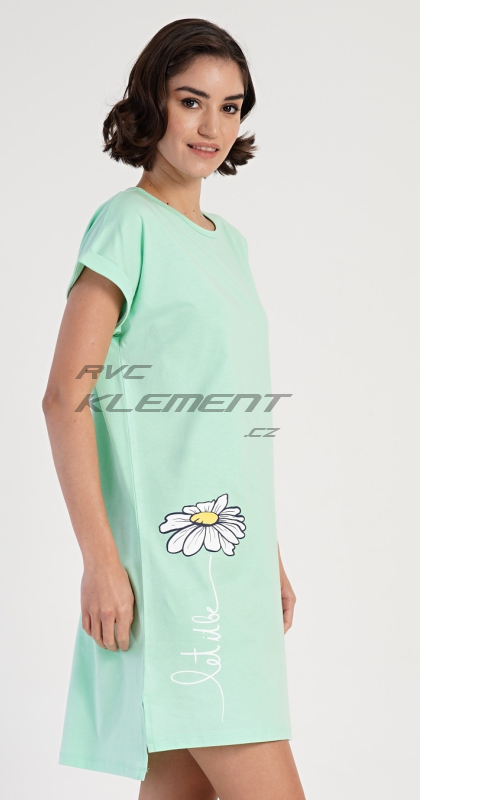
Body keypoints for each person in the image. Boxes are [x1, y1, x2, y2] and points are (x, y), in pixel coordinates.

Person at [42, 18, 306, 800]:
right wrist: (99, 558)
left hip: (229, 555)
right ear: (152, 101)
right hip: (176, 568)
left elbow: (225, 421)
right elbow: (64, 396)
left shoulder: (230, 243)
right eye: (192, 101)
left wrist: (267, 554)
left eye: (230, 106)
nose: (211, 126)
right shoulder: (127, 225)